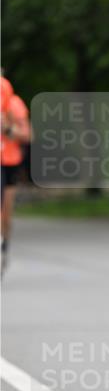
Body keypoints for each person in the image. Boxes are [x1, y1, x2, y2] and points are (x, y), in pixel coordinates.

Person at [1, 75, 31, 276]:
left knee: (5, 211)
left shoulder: (13, 103)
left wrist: (8, 129)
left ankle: (4, 247)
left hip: (9, 161)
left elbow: (27, 134)